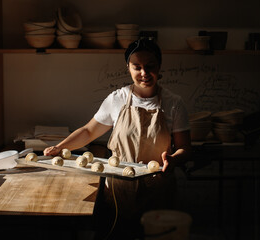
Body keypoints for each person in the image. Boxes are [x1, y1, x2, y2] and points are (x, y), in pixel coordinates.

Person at [43, 38, 192, 239]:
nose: (144, 73)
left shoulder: (174, 103)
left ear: (159, 65)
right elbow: (88, 131)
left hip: (158, 191)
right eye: (137, 67)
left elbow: (185, 148)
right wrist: (59, 147)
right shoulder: (117, 99)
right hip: (118, 191)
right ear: (128, 68)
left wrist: (174, 159)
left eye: (150, 66)